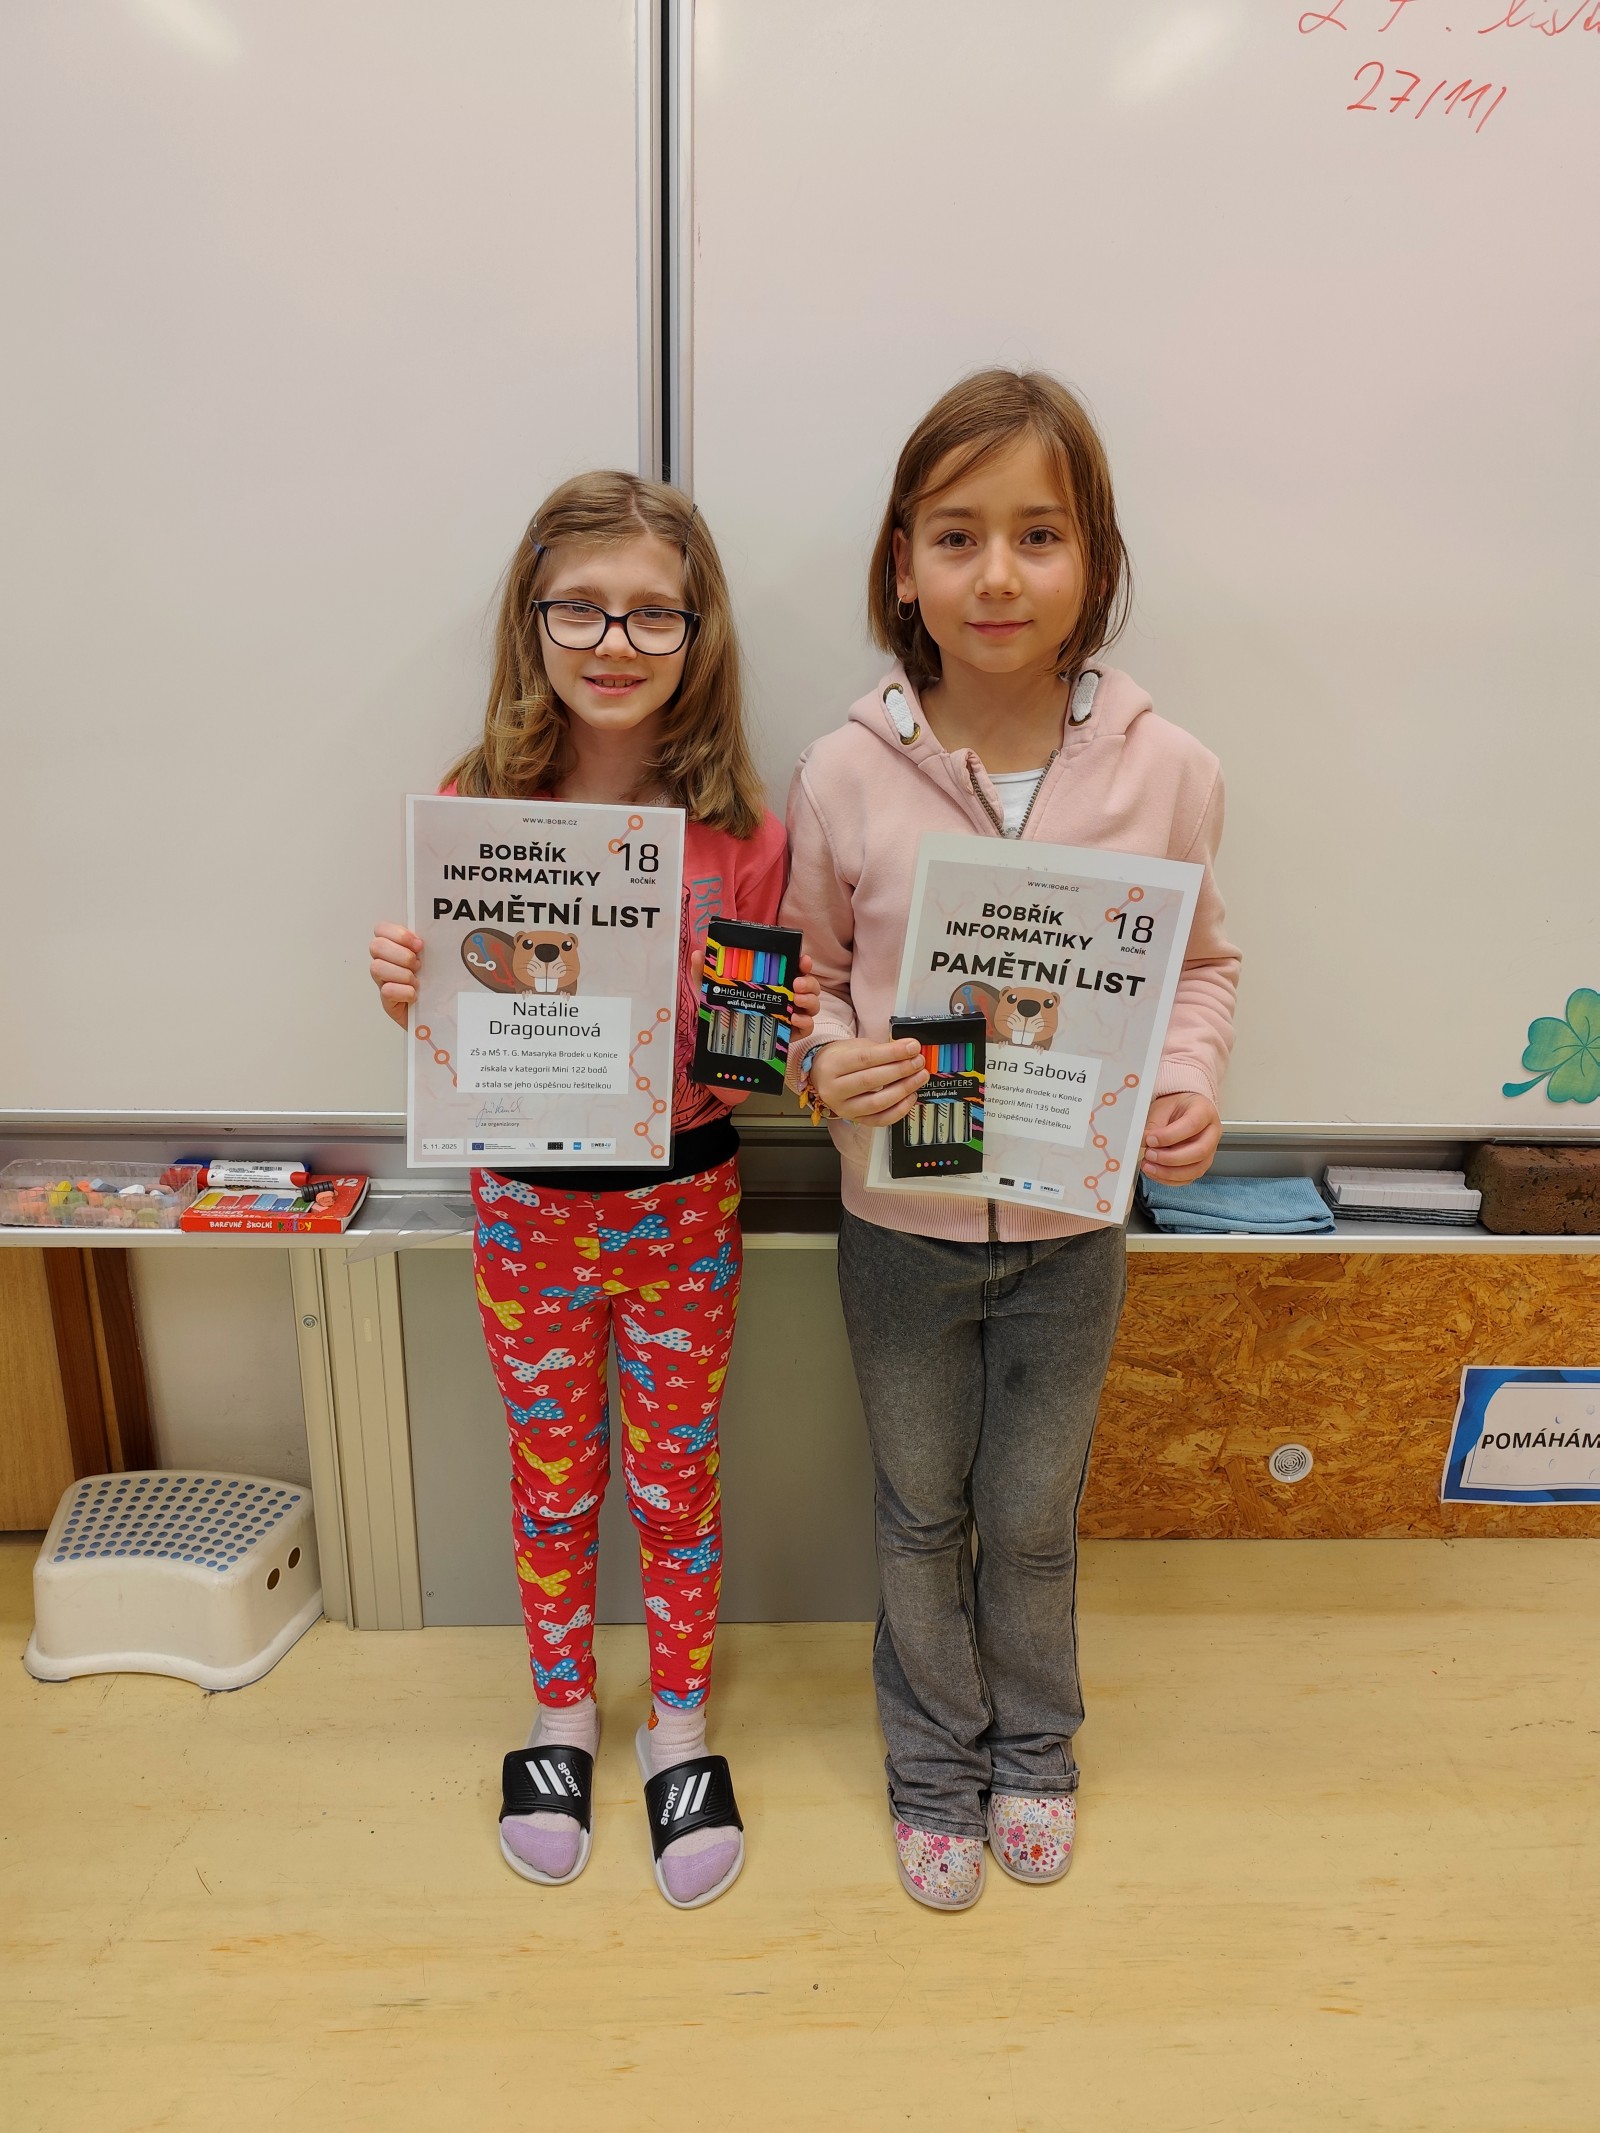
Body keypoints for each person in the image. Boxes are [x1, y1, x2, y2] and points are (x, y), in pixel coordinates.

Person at [781, 371, 1241, 1910]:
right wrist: (826, 1059)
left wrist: (1184, 1084)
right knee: (921, 1513)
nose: (997, 574)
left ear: (1092, 557)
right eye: (957, 534)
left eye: (1039, 534)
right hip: (899, 1233)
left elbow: (1202, 967)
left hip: (1071, 1232)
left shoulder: (1170, 770)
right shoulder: (845, 769)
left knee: (1033, 1522)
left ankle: (1036, 1754)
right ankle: (932, 1769)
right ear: (901, 560)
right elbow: (802, 979)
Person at [369, 471, 815, 1909]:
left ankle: (677, 1724)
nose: (614, 642)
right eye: (580, 608)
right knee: (552, 1474)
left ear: (698, 632)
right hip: (527, 1204)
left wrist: (772, 1019)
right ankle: (562, 1713)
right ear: (532, 618)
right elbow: (468, 1026)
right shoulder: (474, 806)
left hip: (684, 1198)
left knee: (677, 1481)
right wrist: (413, 992)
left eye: (650, 614)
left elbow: (749, 1064)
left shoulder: (744, 831)